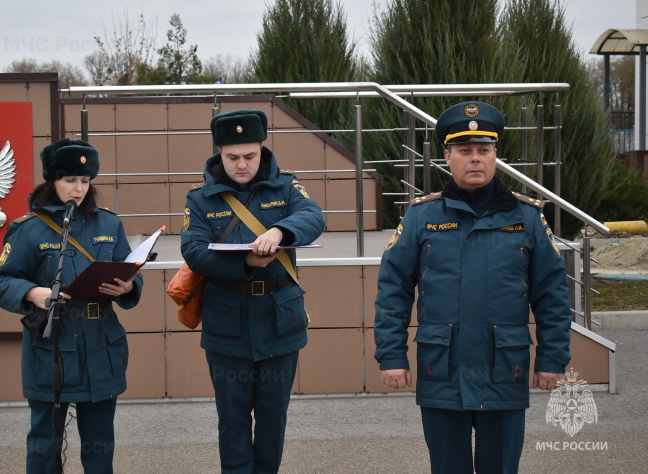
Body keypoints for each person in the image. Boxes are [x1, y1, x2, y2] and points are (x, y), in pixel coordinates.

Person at [374, 101, 571, 473]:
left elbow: (553, 295)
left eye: (484, 150)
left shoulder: (527, 218)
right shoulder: (421, 217)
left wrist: (552, 358)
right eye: (465, 151)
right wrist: (392, 355)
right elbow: (393, 291)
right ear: (447, 157)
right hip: (441, 371)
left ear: (496, 155)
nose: (475, 159)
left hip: (504, 370)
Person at [181, 108, 325, 474]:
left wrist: (280, 232)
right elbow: (194, 252)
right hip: (227, 324)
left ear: (262, 148)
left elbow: (314, 216)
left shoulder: (287, 186)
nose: (241, 165)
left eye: (250, 156)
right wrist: (245, 264)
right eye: (232, 157)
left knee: (273, 417)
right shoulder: (200, 199)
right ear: (219, 152)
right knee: (232, 419)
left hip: (280, 320)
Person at [0, 138, 142, 474]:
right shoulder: (28, 229)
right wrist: (32, 293)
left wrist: (127, 286)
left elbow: (129, 271)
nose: (79, 189)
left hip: (101, 344)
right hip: (52, 345)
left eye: (85, 181)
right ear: (52, 181)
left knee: (100, 444)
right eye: (70, 180)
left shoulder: (109, 224)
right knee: (45, 446)